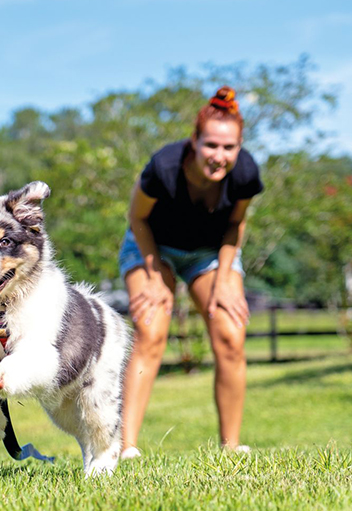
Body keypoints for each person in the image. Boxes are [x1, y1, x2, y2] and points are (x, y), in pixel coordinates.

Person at [118, 86, 263, 459]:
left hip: (210, 254)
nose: (220, 156)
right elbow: (136, 218)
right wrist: (152, 276)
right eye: (211, 145)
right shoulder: (164, 167)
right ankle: (124, 447)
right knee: (151, 328)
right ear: (195, 140)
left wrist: (227, 279)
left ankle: (230, 447)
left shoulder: (245, 172)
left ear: (240, 146)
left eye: (229, 148)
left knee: (231, 333)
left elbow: (235, 226)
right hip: (151, 243)